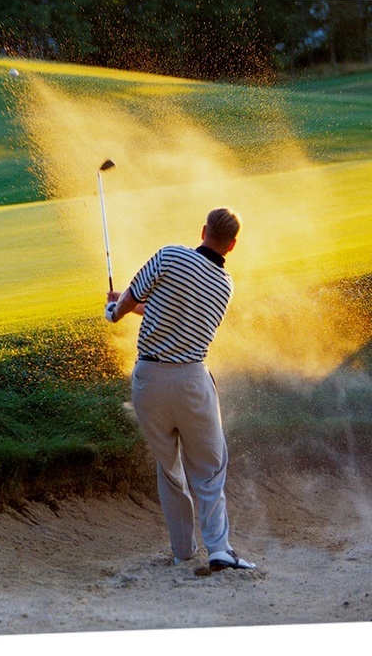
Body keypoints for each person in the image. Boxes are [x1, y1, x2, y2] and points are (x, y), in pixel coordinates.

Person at [104, 207, 256, 571]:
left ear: (203, 230)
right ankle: (218, 548)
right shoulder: (224, 285)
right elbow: (173, 311)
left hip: (149, 381)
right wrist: (128, 305)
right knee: (209, 467)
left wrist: (115, 311)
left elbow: (134, 298)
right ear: (232, 245)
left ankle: (183, 552)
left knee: (170, 469)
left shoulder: (170, 255)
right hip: (191, 382)